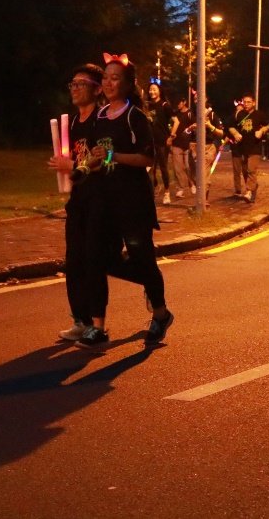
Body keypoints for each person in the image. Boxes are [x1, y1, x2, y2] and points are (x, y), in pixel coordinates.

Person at [80, 54, 173, 348]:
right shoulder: (99, 117)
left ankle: (160, 313)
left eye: (115, 78)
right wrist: (82, 168)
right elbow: (95, 156)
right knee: (97, 257)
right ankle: (97, 327)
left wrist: (113, 156)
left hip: (133, 201)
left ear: (128, 84)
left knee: (142, 258)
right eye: (105, 78)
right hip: (104, 200)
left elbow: (147, 158)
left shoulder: (135, 117)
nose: (108, 83)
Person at [48, 64, 105, 343]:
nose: (75, 89)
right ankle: (80, 320)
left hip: (100, 199)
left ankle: (97, 323)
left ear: (97, 89)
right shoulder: (69, 124)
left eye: (81, 84)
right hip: (78, 200)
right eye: (72, 84)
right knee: (74, 260)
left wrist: (71, 165)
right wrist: (62, 165)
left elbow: (104, 160)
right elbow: (68, 157)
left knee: (94, 260)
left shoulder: (102, 120)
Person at [227, 92, 269, 202]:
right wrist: (236, 134)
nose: (246, 104)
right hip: (242, 148)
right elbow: (230, 127)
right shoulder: (239, 114)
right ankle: (253, 186)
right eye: (244, 102)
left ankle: (249, 191)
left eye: (249, 102)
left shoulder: (259, 114)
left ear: (254, 103)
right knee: (245, 171)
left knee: (251, 169)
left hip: (255, 147)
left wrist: (261, 131)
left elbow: (267, 125)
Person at [145, 82, 174, 205]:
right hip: (149, 141)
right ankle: (151, 192)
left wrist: (171, 136)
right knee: (149, 168)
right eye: (150, 89)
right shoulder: (147, 106)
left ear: (159, 91)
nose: (152, 92)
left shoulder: (165, 105)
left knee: (163, 168)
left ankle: (167, 192)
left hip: (162, 141)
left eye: (154, 89)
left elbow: (175, 121)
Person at [167, 95, 194, 200]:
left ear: (184, 102)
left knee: (187, 167)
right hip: (176, 143)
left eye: (179, 103)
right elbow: (170, 124)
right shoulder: (176, 114)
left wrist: (190, 129)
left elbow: (195, 125)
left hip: (187, 144)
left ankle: (192, 184)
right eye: (176, 103)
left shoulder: (190, 113)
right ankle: (180, 188)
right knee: (178, 168)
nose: (178, 105)